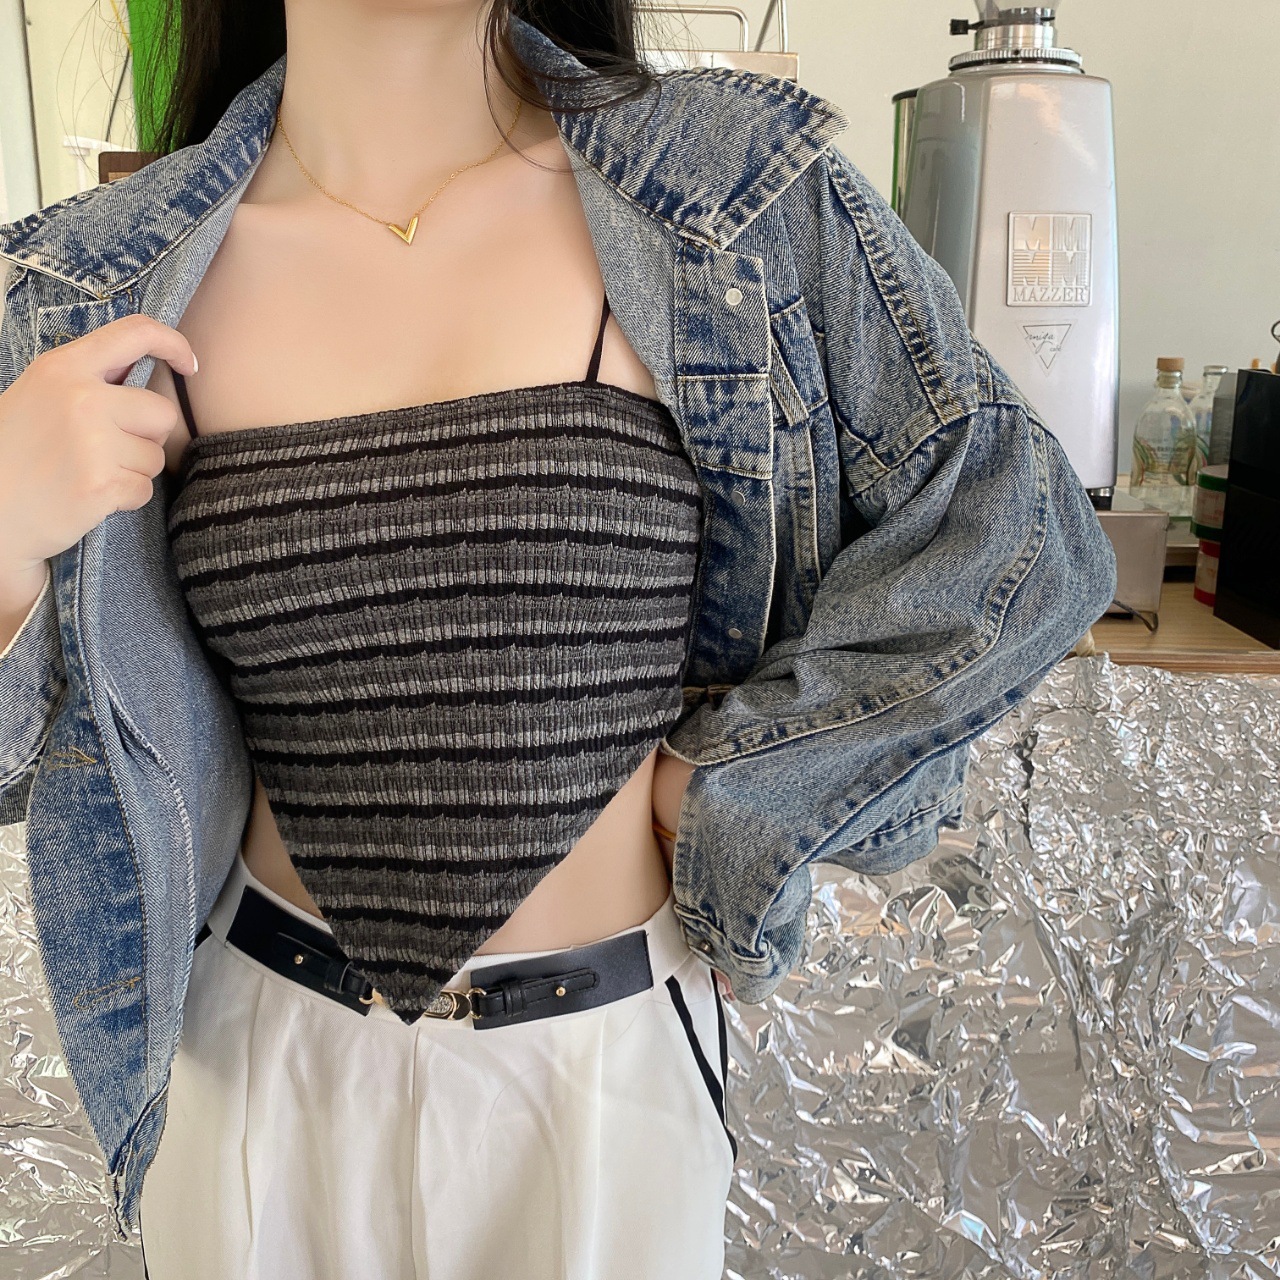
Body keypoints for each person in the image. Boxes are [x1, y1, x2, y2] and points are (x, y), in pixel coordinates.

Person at [0, 0, 1118, 1275]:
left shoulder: (727, 192)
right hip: (259, 1074)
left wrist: (740, 784)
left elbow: (1015, 525)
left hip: (599, 1088)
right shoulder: (87, 288)